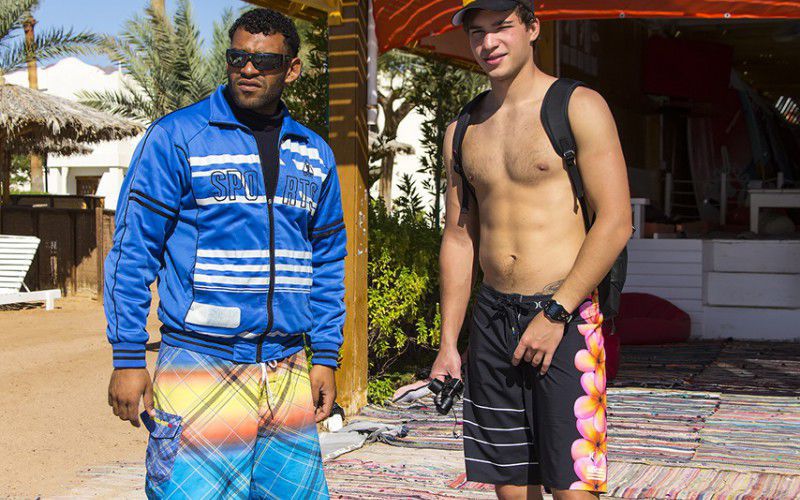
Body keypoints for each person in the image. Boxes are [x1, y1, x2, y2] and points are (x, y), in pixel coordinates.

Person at [104, 8, 346, 498]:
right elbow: (132, 252)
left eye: (265, 61)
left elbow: (326, 259)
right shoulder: (178, 137)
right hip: (200, 362)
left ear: (292, 69)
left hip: (286, 369)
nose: (248, 69)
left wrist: (324, 354)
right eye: (238, 57)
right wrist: (128, 356)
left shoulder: (314, 153)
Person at [430, 1, 632, 498]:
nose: (488, 43)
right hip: (492, 318)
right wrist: (449, 343)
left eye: (502, 27)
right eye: (477, 33)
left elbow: (616, 221)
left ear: (533, 28)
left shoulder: (579, 106)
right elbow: (459, 236)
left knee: (573, 486)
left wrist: (556, 312)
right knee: (511, 484)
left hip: (566, 316)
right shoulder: (462, 129)